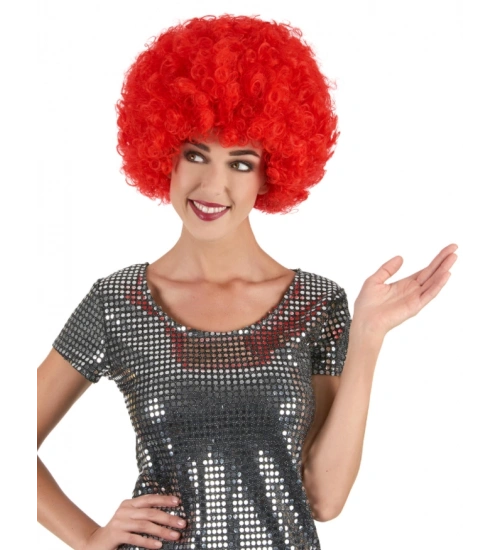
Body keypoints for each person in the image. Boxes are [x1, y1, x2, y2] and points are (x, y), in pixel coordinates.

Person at [35, 14, 458, 550]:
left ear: (270, 173)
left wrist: (368, 336)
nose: (212, 185)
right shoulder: (118, 303)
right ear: (164, 155)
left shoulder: (316, 305)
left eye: (240, 163)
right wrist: (90, 538)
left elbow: (325, 498)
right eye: (195, 154)